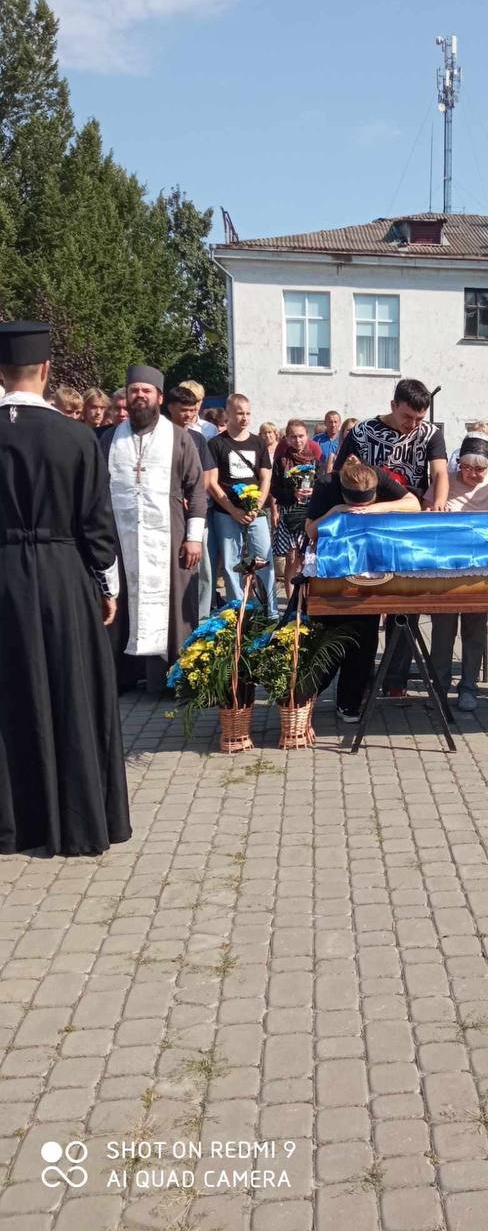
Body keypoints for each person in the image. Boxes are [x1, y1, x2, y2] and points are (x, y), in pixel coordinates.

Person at [0, 321, 131, 856]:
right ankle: (76, 819)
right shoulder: (77, 437)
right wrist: (108, 586)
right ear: (46, 371)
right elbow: (97, 526)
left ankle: (12, 823)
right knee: (70, 687)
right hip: (63, 575)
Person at [334, 378, 448, 697]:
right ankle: (362, 679)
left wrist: (438, 504)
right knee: (366, 605)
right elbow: (340, 473)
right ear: (393, 405)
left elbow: (440, 472)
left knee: (407, 603)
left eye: (419, 418)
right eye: (407, 416)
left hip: (410, 525)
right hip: (368, 527)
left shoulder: (431, 434)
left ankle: (395, 679)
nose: (413, 425)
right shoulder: (362, 432)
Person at [100, 367, 207, 693]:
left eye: (146, 391)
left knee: (173, 607)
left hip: (169, 536)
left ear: (159, 398)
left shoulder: (178, 437)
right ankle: (124, 678)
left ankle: (171, 679)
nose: (140, 396)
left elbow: (196, 489)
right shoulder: (109, 439)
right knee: (122, 602)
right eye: (134, 390)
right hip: (121, 538)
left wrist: (193, 538)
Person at [305, 455, 419, 721]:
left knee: (365, 639)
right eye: (356, 503)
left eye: (366, 501)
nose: (360, 507)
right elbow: (310, 531)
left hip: (369, 568)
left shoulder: (378, 476)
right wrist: (335, 511)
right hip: (332, 572)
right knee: (330, 638)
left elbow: (413, 504)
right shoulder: (327, 485)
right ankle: (303, 698)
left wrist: (374, 509)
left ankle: (349, 702)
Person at [425, 436, 488, 714]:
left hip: (479, 570)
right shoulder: (445, 481)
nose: (472, 474)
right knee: (442, 629)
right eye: (466, 468)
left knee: (475, 629)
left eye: (479, 469)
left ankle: (469, 686)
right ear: (458, 464)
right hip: (446, 567)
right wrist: (434, 510)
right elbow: (425, 511)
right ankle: (439, 685)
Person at [206, 394, 277, 614]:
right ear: (228, 413)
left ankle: (270, 611)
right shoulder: (216, 443)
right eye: (239, 413)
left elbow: (265, 478)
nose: (244, 418)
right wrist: (233, 510)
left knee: (264, 559)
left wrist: (257, 506)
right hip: (226, 513)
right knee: (231, 563)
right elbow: (212, 482)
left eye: (247, 413)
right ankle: (238, 612)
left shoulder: (258, 443)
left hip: (256, 512)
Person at [166, 385, 219, 620]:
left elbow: (206, 474)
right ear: (170, 408)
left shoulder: (197, 438)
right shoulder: (161, 436)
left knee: (202, 567)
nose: (188, 414)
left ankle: (201, 617)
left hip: (196, 511)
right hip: (170, 511)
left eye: (192, 409)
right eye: (183, 410)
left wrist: (194, 497)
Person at [272, 419, 323, 598]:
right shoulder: (281, 460)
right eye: (293, 437)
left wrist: (314, 490)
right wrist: (293, 494)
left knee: (307, 558)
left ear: (307, 436)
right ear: (287, 438)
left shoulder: (315, 460)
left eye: (301, 436)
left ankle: (306, 600)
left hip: (310, 513)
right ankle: (291, 603)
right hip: (290, 512)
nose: (298, 440)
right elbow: (274, 489)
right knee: (291, 559)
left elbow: (323, 484)